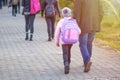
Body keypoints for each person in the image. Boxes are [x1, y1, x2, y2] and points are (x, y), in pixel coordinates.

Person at [73, 0, 103, 72]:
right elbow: (101, 12)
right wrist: (97, 22)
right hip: (94, 24)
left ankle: (87, 61)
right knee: (89, 43)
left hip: (83, 25)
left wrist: (77, 25)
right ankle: (87, 61)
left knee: (83, 44)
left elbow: (77, 13)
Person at [55, 7, 81, 74]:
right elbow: (79, 31)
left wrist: (57, 41)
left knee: (65, 53)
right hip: (71, 40)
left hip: (64, 40)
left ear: (63, 14)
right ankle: (68, 63)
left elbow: (57, 32)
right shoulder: (73, 21)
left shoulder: (61, 21)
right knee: (69, 51)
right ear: (70, 13)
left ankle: (66, 64)